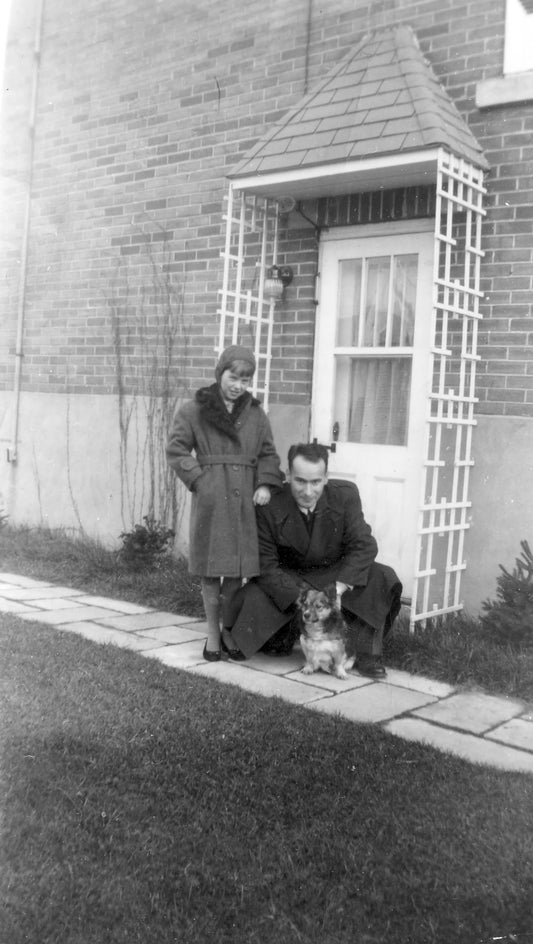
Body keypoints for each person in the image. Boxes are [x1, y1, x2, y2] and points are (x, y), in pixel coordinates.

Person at [227, 442, 402, 678]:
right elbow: (265, 564)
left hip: (333, 575)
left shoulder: (345, 495)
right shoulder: (269, 504)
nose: (308, 491)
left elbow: (364, 545)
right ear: (288, 475)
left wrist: (338, 590)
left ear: (326, 477)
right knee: (266, 636)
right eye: (300, 481)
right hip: (291, 580)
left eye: (316, 482)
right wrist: (305, 599)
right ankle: (288, 635)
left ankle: (366, 652)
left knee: (382, 576)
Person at [166, 345, 283, 662]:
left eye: (245, 381)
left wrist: (264, 484)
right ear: (220, 374)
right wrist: (200, 481)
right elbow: (176, 450)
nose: (238, 386)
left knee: (235, 574)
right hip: (212, 500)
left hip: (243, 499)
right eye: (233, 377)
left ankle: (229, 631)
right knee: (210, 573)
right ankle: (212, 636)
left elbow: (269, 453)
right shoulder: (194, 410)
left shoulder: (256, 415)